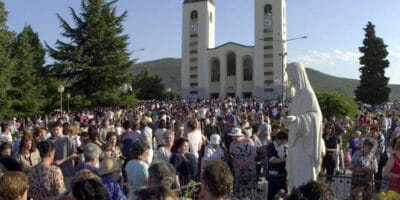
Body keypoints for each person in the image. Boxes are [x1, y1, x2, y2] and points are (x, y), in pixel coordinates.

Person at [283, 62, 325, 189]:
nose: (289, 79)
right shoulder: (297, 96)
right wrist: (291, 120)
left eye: (290, 75)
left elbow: (317, 116)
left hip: (305, 146)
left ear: (298, 74)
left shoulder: (308, 94)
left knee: (304, 177)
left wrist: (298, 120)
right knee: (295, 177)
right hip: (296, 142)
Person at [228, 127, 256, 199]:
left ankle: (248, 197)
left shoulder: (249, 141)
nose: (232, 138)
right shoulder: (232, 144)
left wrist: (246, 163)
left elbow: (253, 153)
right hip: (238, 167)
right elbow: (231, 156)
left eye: (233, 136)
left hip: (249, 167)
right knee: (239, 184)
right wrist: (239, 163)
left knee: (249, 185)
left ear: (239, 136)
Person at [266, 131, 288, 200]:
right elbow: (272, 160)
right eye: (283, 140)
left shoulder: (284, 147)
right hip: (273, 175)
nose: (283, 142)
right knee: (272, 195)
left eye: (285, 141)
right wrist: (285, 159)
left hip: (282, 175)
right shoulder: (271, 146)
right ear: (278, 139)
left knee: (284, 194)